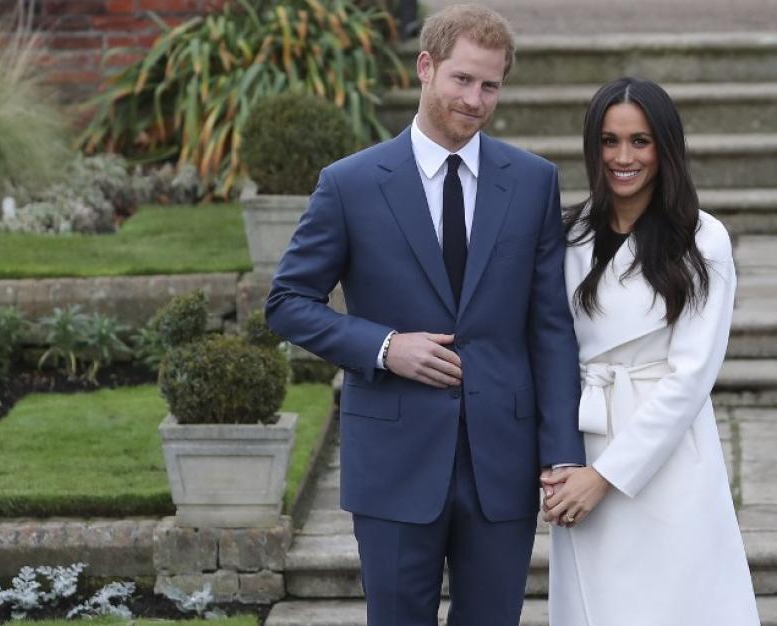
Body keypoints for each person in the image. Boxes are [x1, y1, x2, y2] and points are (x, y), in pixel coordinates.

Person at [265, 4, 585, 625]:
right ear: (425, 67)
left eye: (490, 85)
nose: (475, 99)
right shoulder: (350, 184)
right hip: (393, 458)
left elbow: (550, 327)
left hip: (503, 459)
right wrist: (385, 347)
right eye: (462, 79)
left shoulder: (533, 181)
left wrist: (562, 451)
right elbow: (287, 303)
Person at [541, 77, 761, 626]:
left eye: (640, 141)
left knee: (675, 604)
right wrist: (563, 461)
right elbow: (550, 346)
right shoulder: (569, 235)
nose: (623, 157)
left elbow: (691, 378)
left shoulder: (701, 238)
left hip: (664, 458)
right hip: (584, 441)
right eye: (610, 141)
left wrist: (606, 476)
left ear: (665, 147)